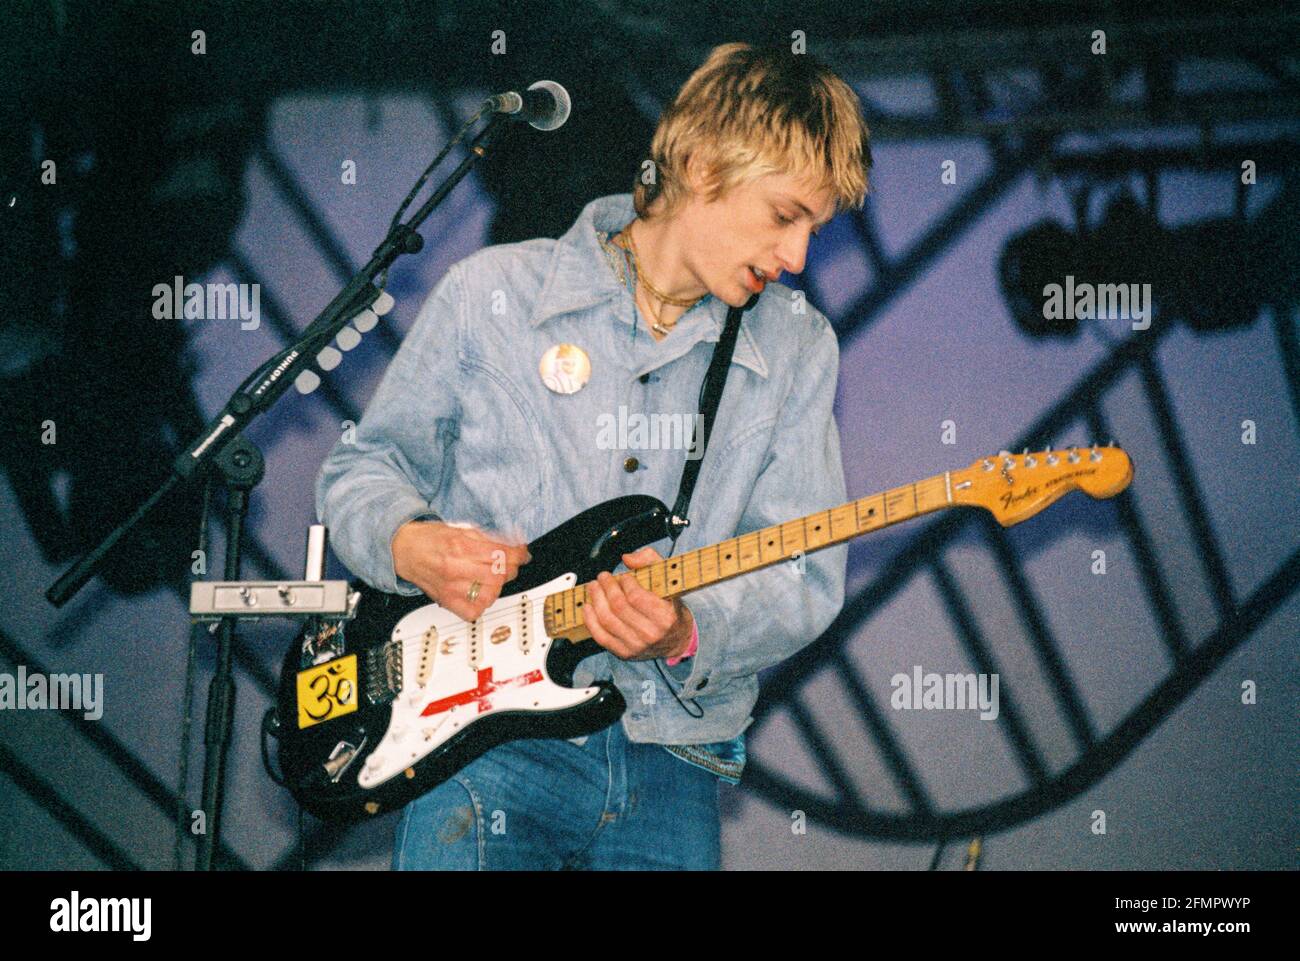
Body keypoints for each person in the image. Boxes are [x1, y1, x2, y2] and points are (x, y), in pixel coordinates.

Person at [316, 41, 873, 870]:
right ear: (699, 162)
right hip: (483, 752)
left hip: (673, 763)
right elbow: (361, 471)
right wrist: (411, 544)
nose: (798, 257)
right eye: (785, 215)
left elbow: (803, 574)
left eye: (815, 230)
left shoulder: (798, 346)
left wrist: (689, 630)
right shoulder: (489, 294)